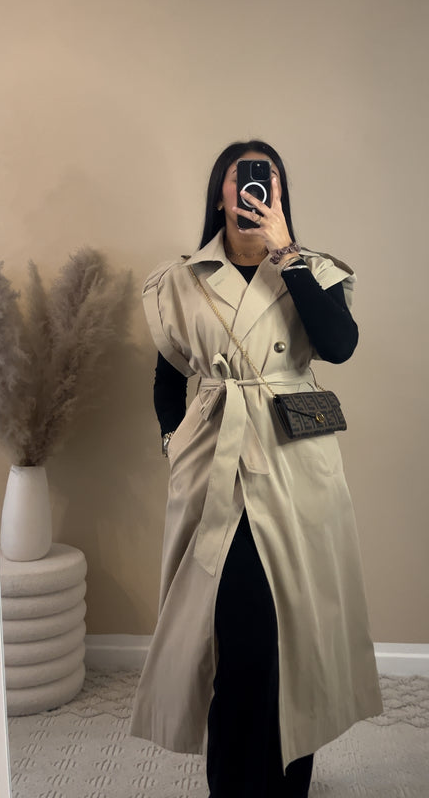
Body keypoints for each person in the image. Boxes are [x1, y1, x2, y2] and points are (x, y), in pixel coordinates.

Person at [130, 140, 383, 798]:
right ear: (219, 193)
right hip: (215, 469)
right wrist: (174, 444)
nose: (251, 189)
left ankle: (288, 782)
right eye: (240, 178)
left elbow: (338, 346)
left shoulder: (312, 270)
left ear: (279, 194)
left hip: (295, 467)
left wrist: (286, 252)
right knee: (232, 640)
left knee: (291, 640)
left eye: (265, 179)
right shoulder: (178, 281)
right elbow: (167, 379)